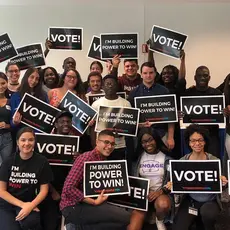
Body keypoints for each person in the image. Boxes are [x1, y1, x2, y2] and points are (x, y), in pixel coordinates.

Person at [60, 129, 144, 230]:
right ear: (97, 142)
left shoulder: (104, 160)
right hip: (73, 207)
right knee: (125, 218)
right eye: (106, 142)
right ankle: (75, 226)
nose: (109, 147)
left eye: (112, 144)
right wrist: (93, 202)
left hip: (91, 205)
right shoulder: (85, 158)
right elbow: (68, 188)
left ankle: (78, 227)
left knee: (123, 221)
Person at [171, 124, 228, 230]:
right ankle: (196, 218)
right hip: (191, 200)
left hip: (210, 201)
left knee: (208, 214)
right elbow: (178, 189)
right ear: (189, 143)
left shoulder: (214, 161)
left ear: (205, 141)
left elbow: (221, 187)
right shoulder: (182, 161)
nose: (197, 143)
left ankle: (207, 224)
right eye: (193, 140)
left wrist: (223, 183)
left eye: (200, 140)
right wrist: (173, 185)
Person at [0, 127, 53, 230]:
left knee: (31, 223)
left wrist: (31, 205)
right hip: (8, 204)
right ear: (17, 142)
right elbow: (1, 190)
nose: (27, 143)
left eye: (31, 140)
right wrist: (23, 205)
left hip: (30, 201)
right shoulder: (8, 161)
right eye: (23, 140)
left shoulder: (42, 161)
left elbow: (44, 190)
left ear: (34, 142)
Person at [132, 127, 173, 230]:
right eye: (144, 142)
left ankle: (159, 220)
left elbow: (174, 182)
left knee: (163, 205)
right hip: (143, 195)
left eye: (150, 140)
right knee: (133, 227)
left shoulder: (167, 158)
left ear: (156, 139)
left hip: (161, 193)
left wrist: (160, 192)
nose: (148, 144)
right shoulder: (137, 158)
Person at [128, 62, 175, 151]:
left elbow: (171, 116)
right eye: (145, 73)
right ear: (141, 74)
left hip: (162, 134)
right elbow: (130, 119)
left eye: (151, 73)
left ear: (155, 74)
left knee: (164, 160)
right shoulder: (134, 93)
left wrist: (170, 137)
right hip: (141, 136)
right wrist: (139, 125)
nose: (148, 75)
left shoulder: (164, 91)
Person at [182, 66, 223, 158]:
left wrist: (225, 113)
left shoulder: (217, 93)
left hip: (211, 134)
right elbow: (182, 116)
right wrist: (180, 114)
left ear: (209, 77)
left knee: (214, 161)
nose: (202, 78)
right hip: (193, 135)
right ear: (195, 77)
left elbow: (221, 116)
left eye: (205, 75)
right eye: (199, 75)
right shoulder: (187, 93)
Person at [91, 75, 131, 161]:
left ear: (117, 86)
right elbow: (92, 128)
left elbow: (129, 127)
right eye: (107, 84)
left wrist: (122, 133)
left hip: (119, 146)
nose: (110, 86)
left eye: (112, 84)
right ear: (103, 87)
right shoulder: (96, 104)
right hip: (101, 147)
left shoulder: (126, 104)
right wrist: (94, 145)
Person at [0, 72, 12, 165]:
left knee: (5, 167)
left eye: (3, 83)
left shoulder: (11, 101)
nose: (1, 86)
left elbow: (15, 122)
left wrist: (7, 125)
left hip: (7, 139)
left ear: (7, 83)